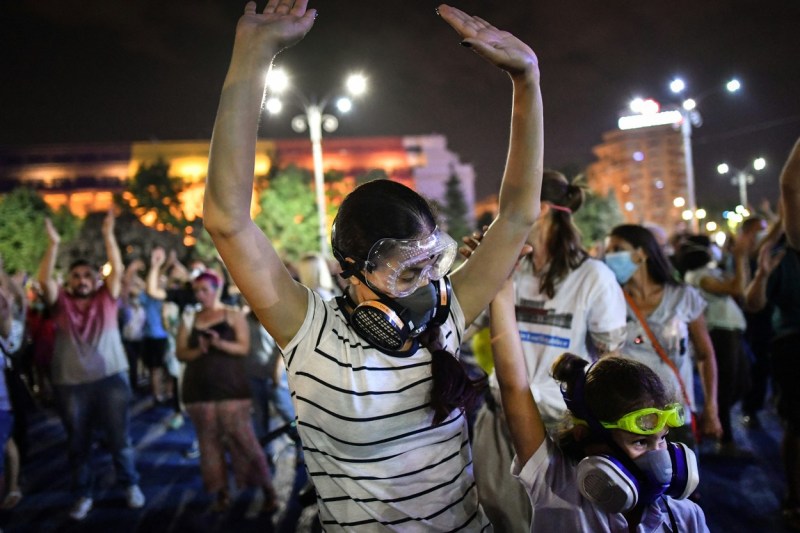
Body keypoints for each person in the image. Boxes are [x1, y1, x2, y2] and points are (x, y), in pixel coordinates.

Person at [203, 1, 543, 529]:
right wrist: (253, 54)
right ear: (351, 267)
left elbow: (518, 214)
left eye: (431, 262)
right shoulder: (310, 331)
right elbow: (227, 220)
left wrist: (527, 79)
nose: (428, 283)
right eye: (407, 271)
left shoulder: (445, 314)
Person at [469, 170, 627, 532]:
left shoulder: (593, 277)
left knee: (552, 521)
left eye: (508, 208)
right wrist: (476, 271)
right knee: (497, 516)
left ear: (539, 209)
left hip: (558, 427)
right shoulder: (509, 269)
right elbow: (462, 324)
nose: (500, 218)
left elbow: (611, 361)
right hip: (498, 417)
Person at [488, 275, 709, 531]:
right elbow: (514, 386)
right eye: (640, 442)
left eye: (662, 439)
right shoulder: (554, 484)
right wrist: (500, 282)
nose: (659, 457)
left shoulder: (686, 518)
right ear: (585, 435)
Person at [37, 212, 145, 521]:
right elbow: (44, 280)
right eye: (76, 276)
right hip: (70, 384)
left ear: (96, 279)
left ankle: (130, 484)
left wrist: (109, 235)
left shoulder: (107, 298)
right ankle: (83, 494)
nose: (82, 280)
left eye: (87, 275)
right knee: (78, 443)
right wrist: (53, 244)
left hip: (111, 380)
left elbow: (117, 269)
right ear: (68, 281)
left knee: (119, 439)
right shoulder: (61, 304)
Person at [605, 224, 723, 447]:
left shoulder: (683, 296)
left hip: (675, 418)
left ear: (641, 253)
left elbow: (705, 355)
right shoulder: (609, 301)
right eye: (608, 251)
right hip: (629, 422)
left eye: (617, 249)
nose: (610, 257)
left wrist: (711, 407)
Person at [175, 271, 277, 513]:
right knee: (208, 443)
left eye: (205, 290)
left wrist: (218, 343)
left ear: (217, 289)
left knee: (244, 440)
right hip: (198, 390)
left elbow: (243, 348)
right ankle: (221, 492)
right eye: (197, 291)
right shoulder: (190, 318)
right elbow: (180, 353)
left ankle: (267, 489)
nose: (200, 295)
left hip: (231, 389)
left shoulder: (232, 315)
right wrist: (200, 350)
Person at [744, 136, 800, 530]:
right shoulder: (786, 254)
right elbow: (753, 303)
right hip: (793, 344)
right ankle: (795, 497)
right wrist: (762, 275)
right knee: (796, 425)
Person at [680, 234, 751, 453]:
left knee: (742, 382)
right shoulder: (699, 277)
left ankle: (713, 421)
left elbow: (740, 284)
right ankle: (724, 439)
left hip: (730, 333)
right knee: (726, 386)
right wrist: (740, 257)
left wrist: (737, 258)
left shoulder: (708, 273)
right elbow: (736, 288)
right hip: (720, 334)